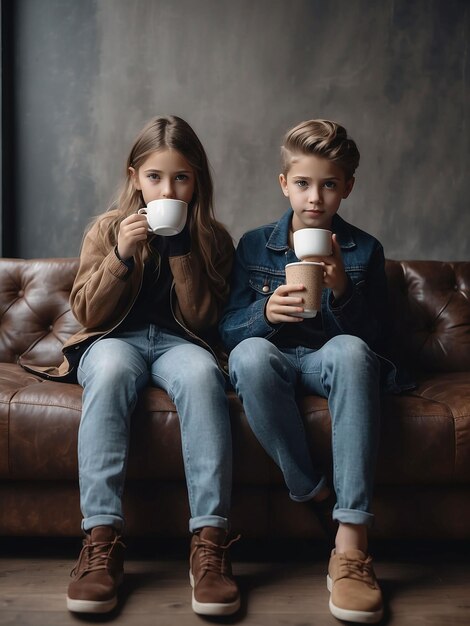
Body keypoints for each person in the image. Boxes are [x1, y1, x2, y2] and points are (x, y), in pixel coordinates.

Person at [219, 119, 408, 624]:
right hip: (276, 359)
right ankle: (313, 490)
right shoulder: (254, 246)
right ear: (284, 184)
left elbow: (376, 347)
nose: (315, 198)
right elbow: (229, 334)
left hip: (332, 360)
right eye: (302, 183)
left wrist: (344, 291)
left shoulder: (364, 251)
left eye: (329, 184)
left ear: (347, 186)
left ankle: (350, 544)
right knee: (250, 356)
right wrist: (264, 315)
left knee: (348, 350)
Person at [56, 115, 239, 616]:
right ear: (135, 176)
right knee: (110, 372)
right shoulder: (107, 229)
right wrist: (121, 255)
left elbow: (206, 319)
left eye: (181, 177)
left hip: (184, 343)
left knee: (204, 377)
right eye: (155, 176)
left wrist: (181, 251)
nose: (167, 188)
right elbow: (88, 314)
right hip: (118, 338)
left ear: (196, 180)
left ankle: (209, 542)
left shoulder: (213, 239)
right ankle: (101, 541)